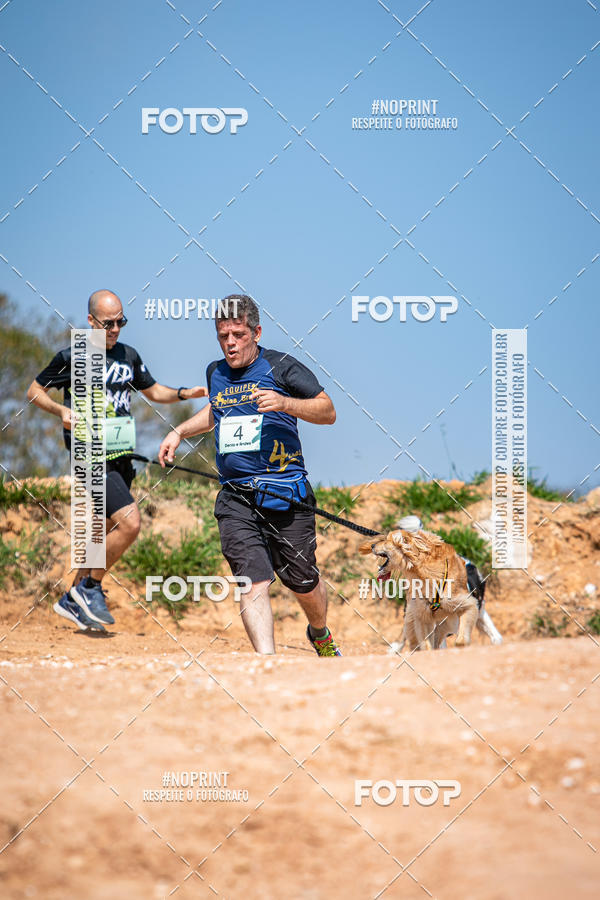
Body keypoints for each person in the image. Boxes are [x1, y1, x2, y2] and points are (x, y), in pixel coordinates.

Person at [158, 294, 341, 656]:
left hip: (285, 492)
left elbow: (328, 411)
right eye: (223, 336)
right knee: (252, 579)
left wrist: (285, 403)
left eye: (238, 335)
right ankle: (265, 663)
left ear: (256, 333)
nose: (230, 343)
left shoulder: (281, 367)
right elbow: (217, 411)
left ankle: (319, 633)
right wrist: (180, 431)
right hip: (235, 496)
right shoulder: (215, 372)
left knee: (302, 581)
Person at [27, 289, 207, 631]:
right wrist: (61, 411)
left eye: (120, 322)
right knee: (130, 523)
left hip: (121, 454)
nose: (115, 329)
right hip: (90, 455)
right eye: (108, 323)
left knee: (103, 529)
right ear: (90, 321)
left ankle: (71, 599)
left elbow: (153, 391)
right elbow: (34, 391)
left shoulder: (128, 355)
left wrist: (186, 393)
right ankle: (90, 587)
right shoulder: (73, 356)